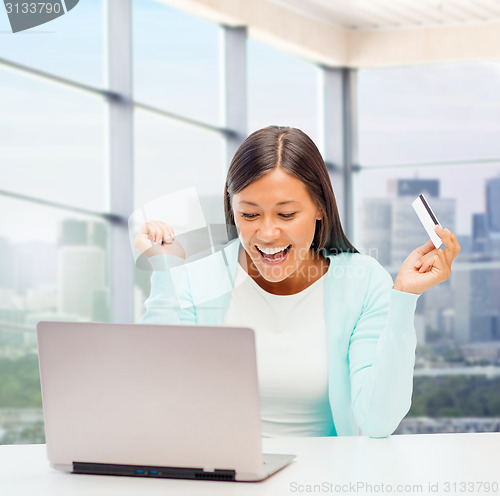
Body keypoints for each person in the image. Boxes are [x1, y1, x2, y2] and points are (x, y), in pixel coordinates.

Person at [135, 126, 460, 438]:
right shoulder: (200, 279)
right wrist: (165, 272)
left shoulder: (360, 281)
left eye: (286, 214)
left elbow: (378, 421)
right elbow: (156, 392)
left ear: (320, 208)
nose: (267, 233)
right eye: (249, 215)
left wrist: (403, 299)